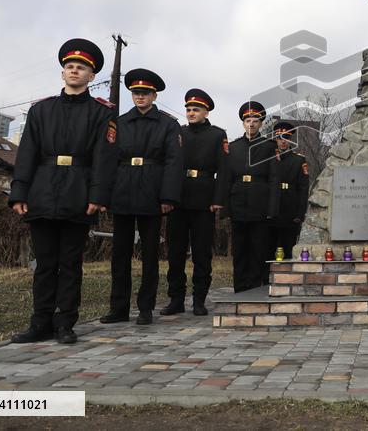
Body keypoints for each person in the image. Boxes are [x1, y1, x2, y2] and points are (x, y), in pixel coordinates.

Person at [8, 38, 118, 344]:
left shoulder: (102, 113)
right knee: (44, 264)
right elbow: (27, 153)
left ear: (91, 76)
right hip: (42, 191)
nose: (74, 71)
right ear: (62, 73)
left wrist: (98, 195)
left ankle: (65, 323)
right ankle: (39, 322)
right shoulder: (41, 110)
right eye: (69, 66)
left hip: (78, 193)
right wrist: (19, 192)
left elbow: (104, 157)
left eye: (81, 68)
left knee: (70, 263)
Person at [100, 69, 183, 326]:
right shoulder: (120, 122)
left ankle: (145, 308)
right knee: (120, 255)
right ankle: (119, 308)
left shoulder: (168, 124)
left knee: (149, 255)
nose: (140, 97)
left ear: (154, 95)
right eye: (136, 93)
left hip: (152, 191)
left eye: (145, 93)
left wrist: (168, 196)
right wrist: (105, 195)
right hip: (123, 190)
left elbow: (174, 162)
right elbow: (108, 160)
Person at [161, 89, 227, 317]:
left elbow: (224, 171)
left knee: (201, 254)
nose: (191, 112)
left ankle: (199, 300)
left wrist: (218, 200)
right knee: (175, 253)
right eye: (188, 109)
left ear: (206, 111)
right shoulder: (178, 132)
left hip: (203, 201)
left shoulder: (218, 135)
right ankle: (176, 300)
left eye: (195, 109)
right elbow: (169, 164)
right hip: (179, 198)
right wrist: (167, 196)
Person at [217, 102, 277, 292]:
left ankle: (255, 288)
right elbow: (226, 178)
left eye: (255, 121)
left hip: (260, 206)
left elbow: (275, 180)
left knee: (258, 250)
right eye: (247, 120)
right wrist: (225, 208)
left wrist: (272, 209)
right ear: (243, 123)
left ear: (261, 124)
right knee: (240, 250)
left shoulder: (269, 147)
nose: (251, 124)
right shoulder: (233, 147)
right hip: (238, 204)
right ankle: (240, 288)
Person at [271, 121, 309, 263]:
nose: (283, 142)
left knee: (288, 249)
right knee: (268, 248)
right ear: (275, 139)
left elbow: (303, 188)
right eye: (280, 138)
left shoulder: (298, 160)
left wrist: (300, 213)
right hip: (272, 208)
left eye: (286, 138)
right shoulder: (269, 159)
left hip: (290, 208)